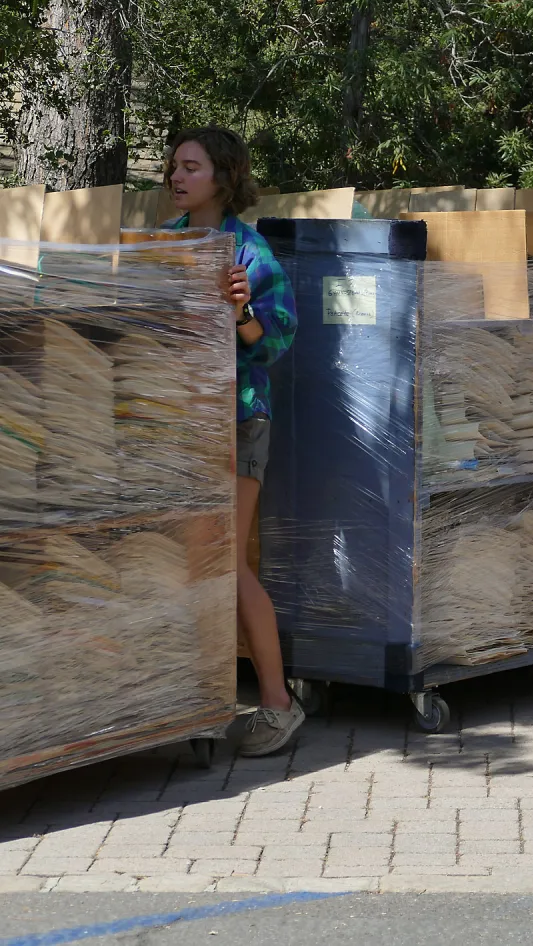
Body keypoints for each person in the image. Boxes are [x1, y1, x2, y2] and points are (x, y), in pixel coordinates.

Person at [165, 126, 304, 755]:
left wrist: (241, 311)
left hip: (236, 420)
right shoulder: (160, 247)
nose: (176, 176)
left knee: (224, 561)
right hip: (172, 424)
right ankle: (193, 697)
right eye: (173, 166)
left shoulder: (251, 255)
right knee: (188, 562)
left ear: (222, 177)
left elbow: (273, 345)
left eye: (190, 167)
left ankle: (276, 702)